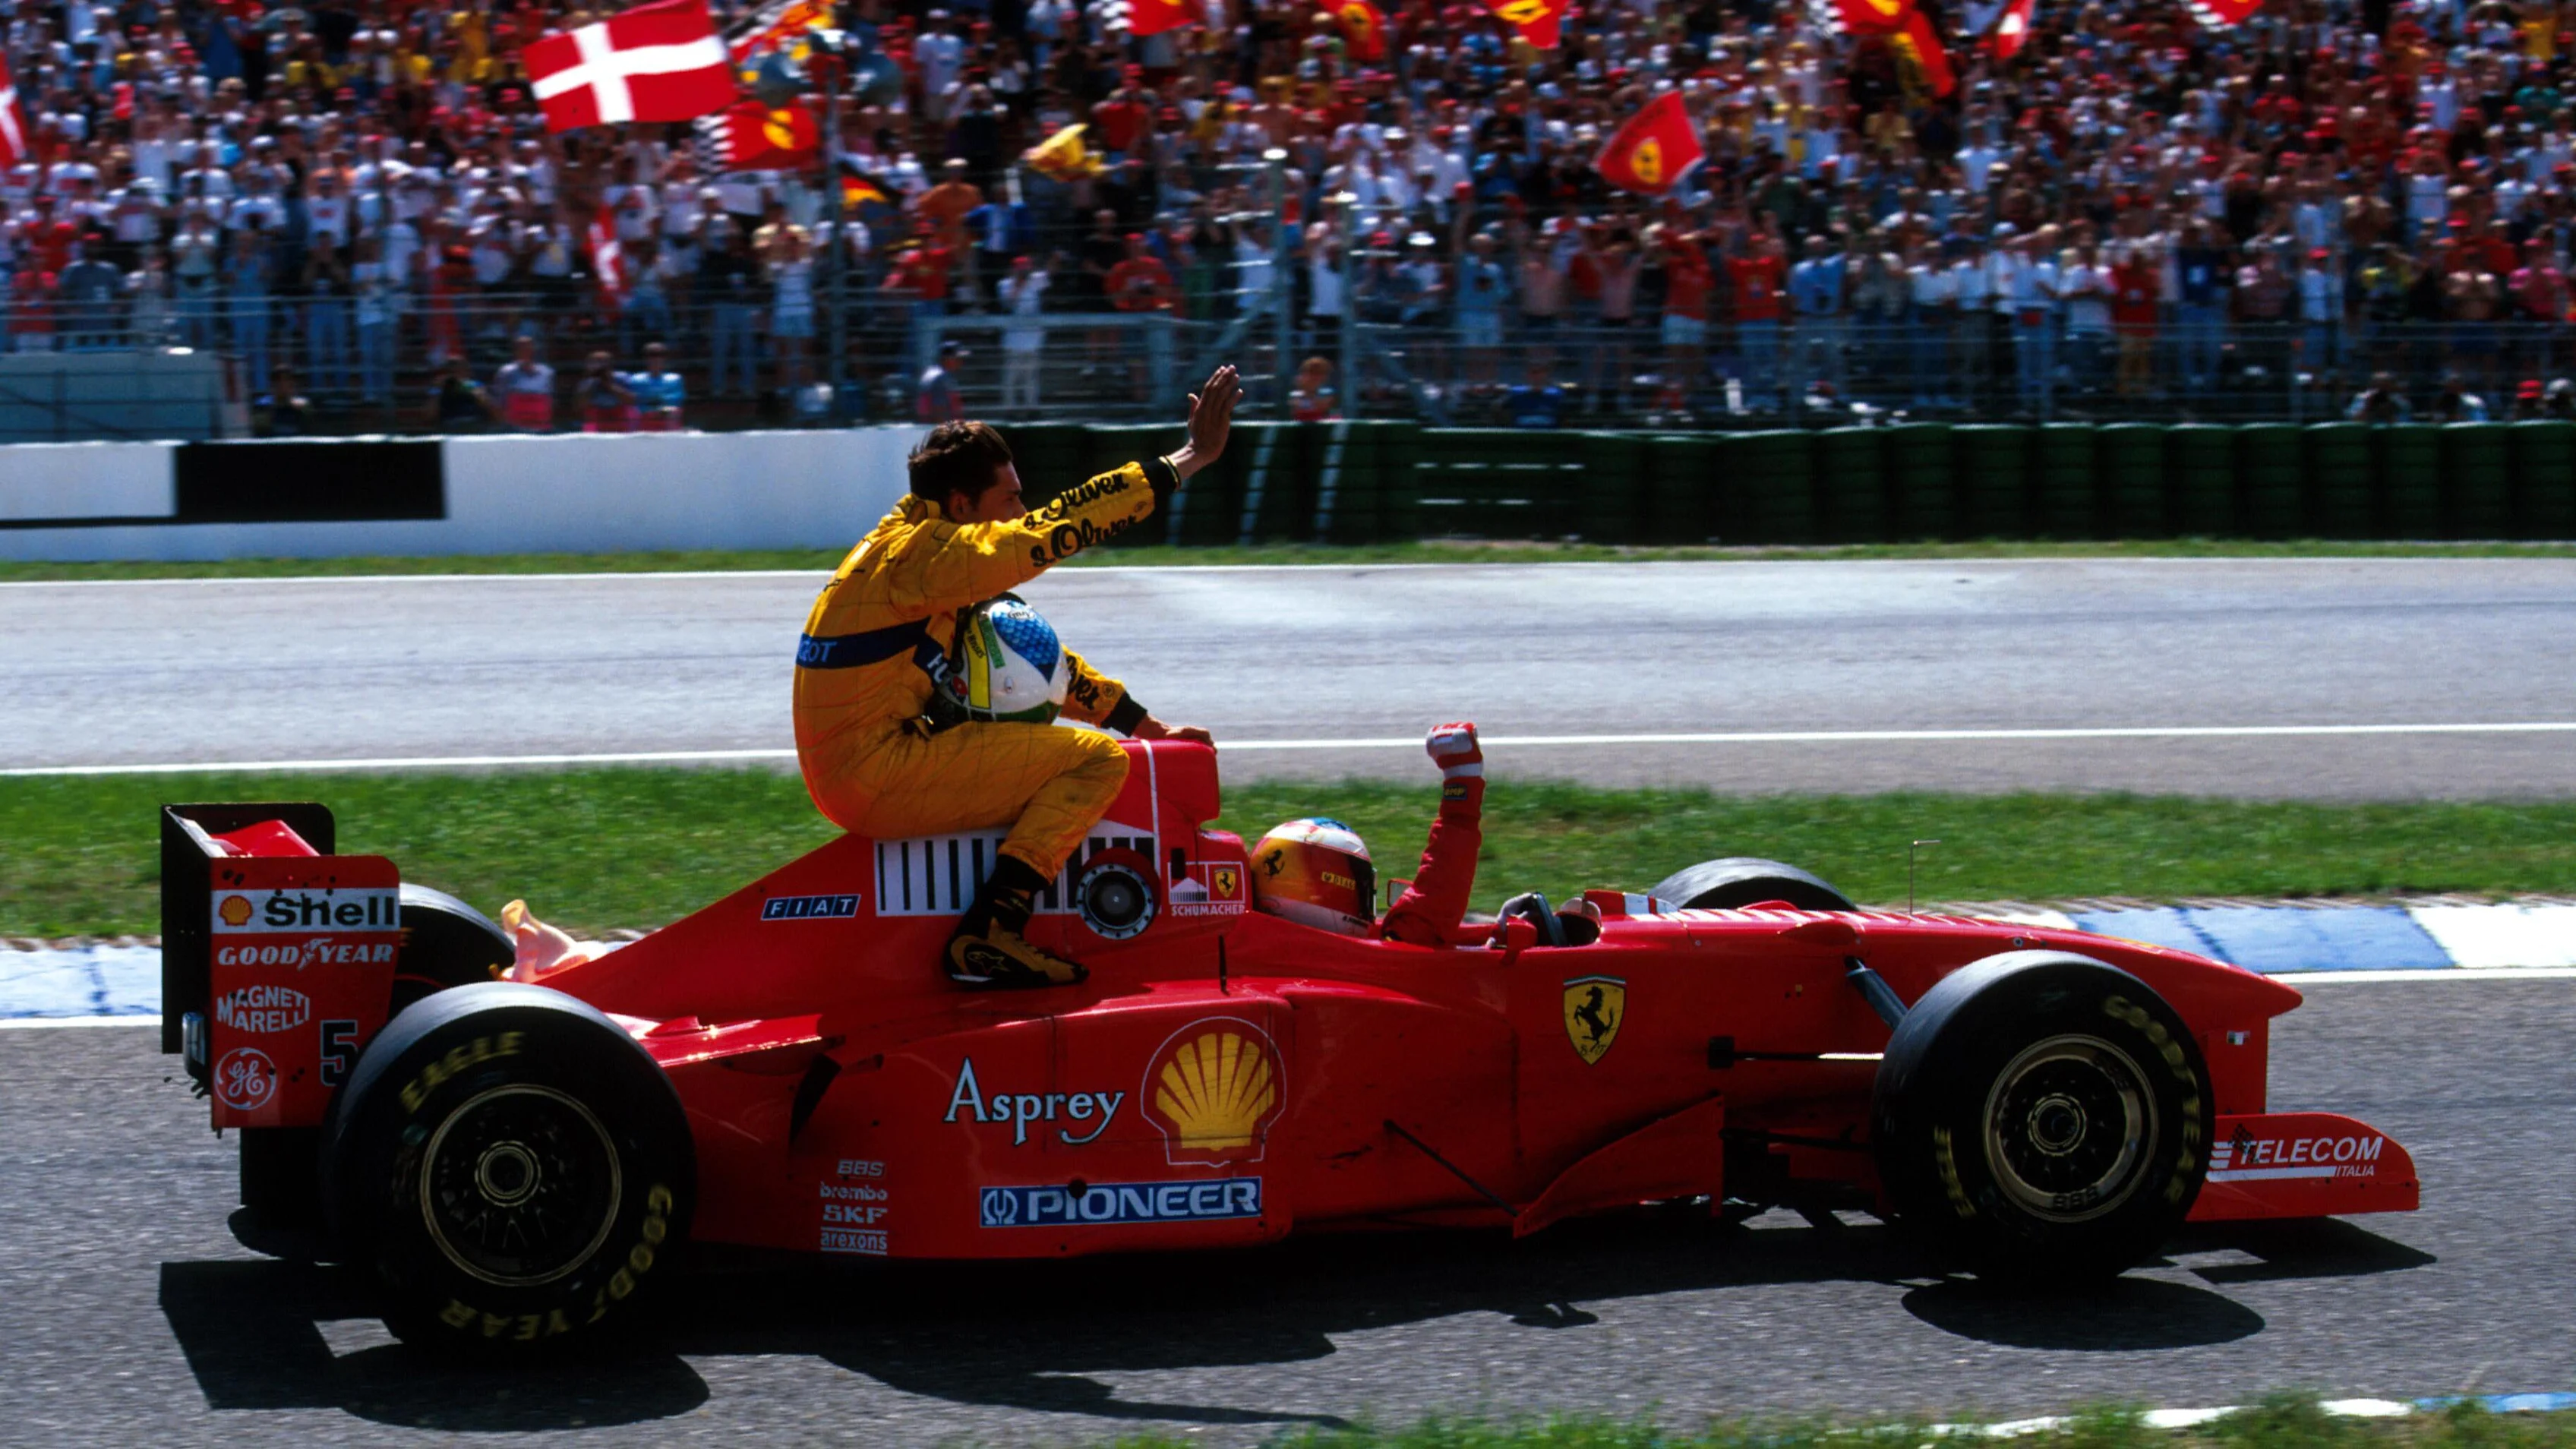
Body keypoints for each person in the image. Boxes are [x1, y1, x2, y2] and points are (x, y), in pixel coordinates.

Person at [793, 365, 1242, 989]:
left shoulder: (921, 554)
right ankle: (992, 930)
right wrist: (1188, 458)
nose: (1021, 513)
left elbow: (1043, 664)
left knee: (1072, 739)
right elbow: (1054, 528)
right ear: (961, 505)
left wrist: (1151, 729)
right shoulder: (923, 558)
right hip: (873, 772)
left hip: (861, 766)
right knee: (1093, 762)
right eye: (1009, 500)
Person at [1245, 722, 1488, 945]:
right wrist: (1462, 778)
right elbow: (1439, 896)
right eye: (1360, 889)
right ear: (1332, 890)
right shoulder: (1398, 948)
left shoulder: (1251, 945)